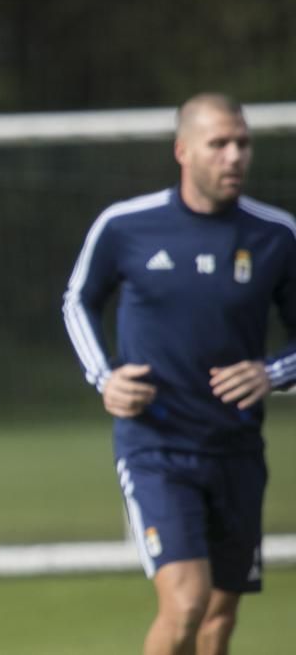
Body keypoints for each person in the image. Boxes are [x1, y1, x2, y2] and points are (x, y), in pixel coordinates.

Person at [62, 92, 296, 655]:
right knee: (187, 601)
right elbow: (77, 302)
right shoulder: (125, 225)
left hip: (237, 448)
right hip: (157, 446)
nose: (234, 156)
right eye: (219, 144)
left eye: (242, 143)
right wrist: (105, 378)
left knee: (217, 620)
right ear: (184, 150)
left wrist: (273, 372)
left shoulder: (277, 235)